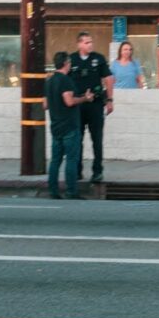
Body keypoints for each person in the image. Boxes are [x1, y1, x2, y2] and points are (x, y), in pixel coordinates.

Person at [43, 52, 94, 199]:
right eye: (69, 62)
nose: (70, 65)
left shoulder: (49, 81)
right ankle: (71, 191)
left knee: (55, 160)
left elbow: (45, 105)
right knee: (71, 159)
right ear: (66, 63)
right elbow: (69, 101)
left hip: (56, 126)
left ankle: (53, 190)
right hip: (69, 126)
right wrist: (85, 98)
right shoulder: (66, 80)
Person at [69, 31, 114, 184]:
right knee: (77, 139)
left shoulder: (98, 59)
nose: (90, 45)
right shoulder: (72, 60)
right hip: (78, 104)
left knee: (97, 139)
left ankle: (97, 171)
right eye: (87, 42)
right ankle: (77, 170)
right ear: (79, 44)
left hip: (95, 104)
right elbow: (65, 81)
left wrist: (109, 100)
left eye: (91, 42)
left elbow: (108, 78)